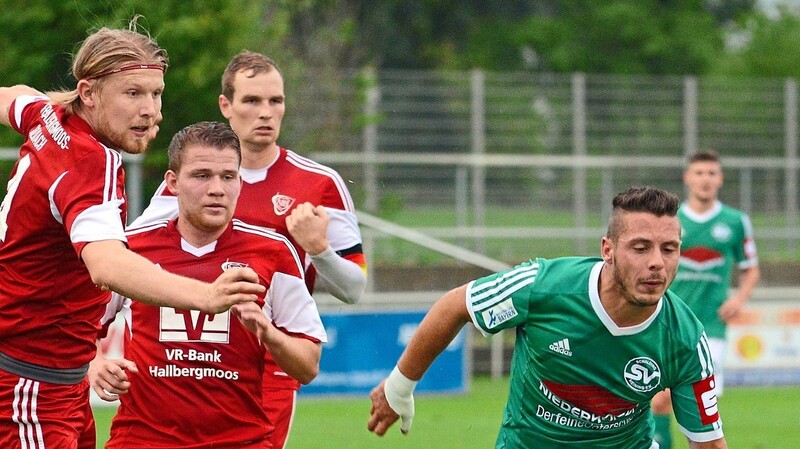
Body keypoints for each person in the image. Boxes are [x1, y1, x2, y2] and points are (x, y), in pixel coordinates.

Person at [0, 23, 264, 449]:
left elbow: (10, 94)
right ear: (89, 93)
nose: (152, 110)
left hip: (56, 384)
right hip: (28, 386)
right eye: (133, 93)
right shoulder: (91, 162)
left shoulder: (48, 115)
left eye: (156, 93)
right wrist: (205, 296)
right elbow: (107, 265)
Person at [129, 50, 367, 448]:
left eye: (276, 101)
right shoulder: (188, 182)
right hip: (186, 355)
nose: (266, 112)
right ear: (226, 105)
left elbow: (354, 288)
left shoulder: (320, 183)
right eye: (252, 101)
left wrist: (321, 251)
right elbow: (130, 252)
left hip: (271, 360)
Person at [368, 186, 728, 449]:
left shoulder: (685, 340)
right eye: (640, 247)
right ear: (608, 250)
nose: (656, 263)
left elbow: (708, 443)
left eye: (669, 249)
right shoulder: (541, 287)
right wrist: (400, 386)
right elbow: (455, 306)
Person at [90, 121, 327, 448]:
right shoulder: (130, 250)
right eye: (202, 176)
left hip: (240, 441)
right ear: (172, 183)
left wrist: (269, 334)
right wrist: (95, 364)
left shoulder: (273, 252)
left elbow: (308, 366)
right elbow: (75, 330)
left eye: (228, 177)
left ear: (240, 183)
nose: (217, 188)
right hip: (142, 440)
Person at [651, 151, 760, 449]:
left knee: (692, 403)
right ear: (687, 178)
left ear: (720, 179)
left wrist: (739, 299)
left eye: (711, 173)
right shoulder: (671, 221)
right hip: (668, 321)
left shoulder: (736, 221)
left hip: (710, 327)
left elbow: (751, 269)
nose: (705, 179)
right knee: (658, 399)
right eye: (699, 173)